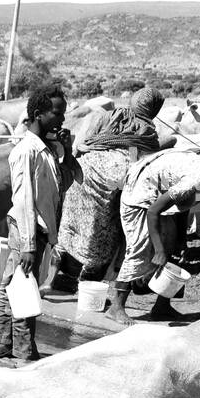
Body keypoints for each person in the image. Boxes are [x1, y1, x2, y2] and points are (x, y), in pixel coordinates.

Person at [0, 86, 78, 361]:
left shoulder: (48, 150)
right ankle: (24, 350)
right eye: (57, 112)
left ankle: (1, 344)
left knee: (11, 287)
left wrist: (68, 150)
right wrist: (28, 245)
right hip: (26, 231)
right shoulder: (26, 151)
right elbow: (24, 200)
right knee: (25, 290)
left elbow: (66, 182)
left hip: (34, 231)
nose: (62, 118)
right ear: (39, 114)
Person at [56, 87, 166, 282]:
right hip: (112, 182)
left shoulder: (107, 116)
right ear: (155, 109)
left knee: (68, 226)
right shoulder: (147, 130)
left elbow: (83, 144)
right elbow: (141, 162)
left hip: (83, 171)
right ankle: (88, 285)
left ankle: (50, 280)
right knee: (103, 234)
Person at [107, 148, 200, 324]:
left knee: (171, 248)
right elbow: (153, 211)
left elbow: (181, 206)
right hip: (139, 198)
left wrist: (181, 240)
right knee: (139, 249)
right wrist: (158, 250)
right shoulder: (197, 178)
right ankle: (116, 307)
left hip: (157, 197)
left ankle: (161, 307)